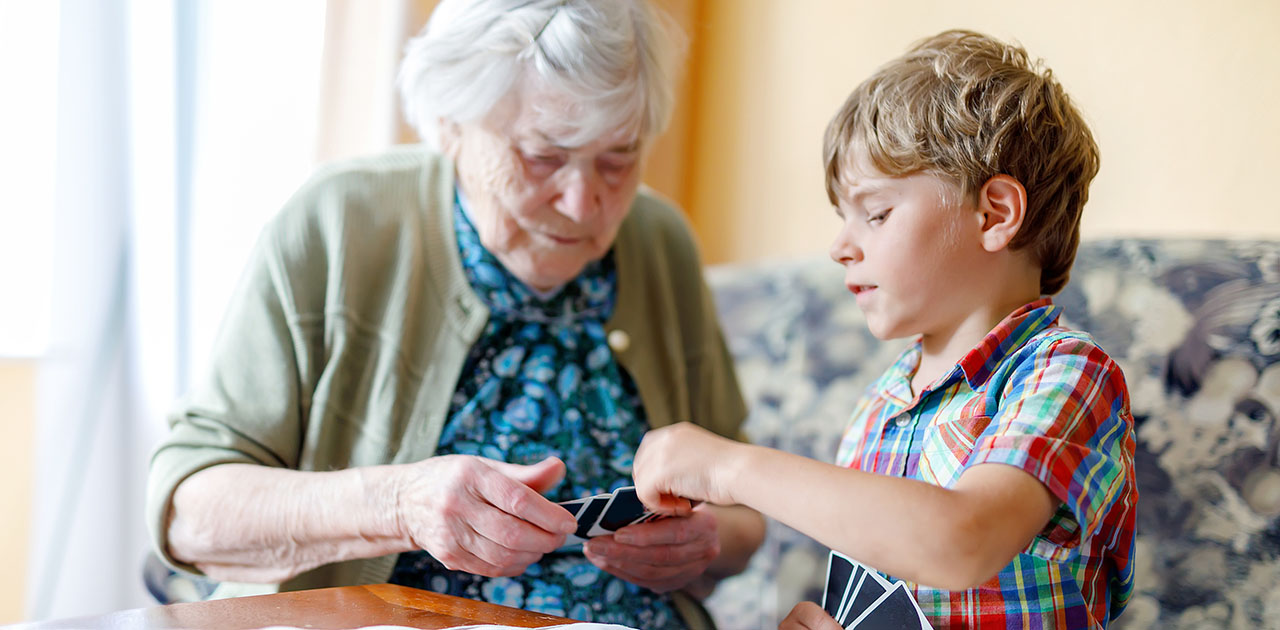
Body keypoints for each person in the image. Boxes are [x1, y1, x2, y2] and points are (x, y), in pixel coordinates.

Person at [145, 1, 764, 628]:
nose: (583, 204)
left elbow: (745, 511)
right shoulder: (340, 220)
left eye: (618, 158)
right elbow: (188, 513)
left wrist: (703, 540)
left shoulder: (660, 242)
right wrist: (398, 504)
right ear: (448, 124)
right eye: (543, 156)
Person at [633, 30, 1137, 629]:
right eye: (843, 219)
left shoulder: (1068, 374)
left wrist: (729, 469)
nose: (841, 247)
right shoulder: (881, 403)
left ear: (994, 214)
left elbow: (960, 540)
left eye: (875, 213)